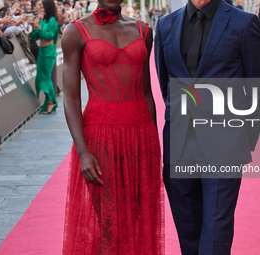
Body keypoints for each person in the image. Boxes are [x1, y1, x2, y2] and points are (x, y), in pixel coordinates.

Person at [155, 0, 260, 254]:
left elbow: (258, 88)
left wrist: (242, 139)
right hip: (179, 143)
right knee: (187, 230)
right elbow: (166, 84)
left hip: (225, 144)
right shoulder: (165, 25)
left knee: (217, 230)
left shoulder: (244, 23)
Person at [61, 0, 163, 254]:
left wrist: (155, 142)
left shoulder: (143, 30)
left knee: (135, 218)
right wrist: (83, 151)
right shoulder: (76, 31)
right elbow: (71, 97)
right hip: (100, 138)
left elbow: (147, 92)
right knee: (110, 224)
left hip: (142, 135)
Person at [31, 0, 59, 114]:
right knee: (40, 77)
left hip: (49, 52)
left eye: (43, 7)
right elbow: (36, 35)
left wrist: (39, 27)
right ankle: (48, 101)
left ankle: (52, 101)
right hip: (42, 51)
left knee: (46, 77)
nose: (41, 9)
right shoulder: (43, 20)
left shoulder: (53, 21)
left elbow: (50, 35)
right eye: (40, 7)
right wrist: (36, 26)